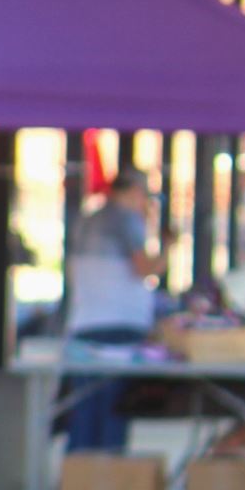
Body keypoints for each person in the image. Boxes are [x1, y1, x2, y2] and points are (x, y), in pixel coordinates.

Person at [61, 171, 165, 452]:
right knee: (114, 411)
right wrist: (169, 246)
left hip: (83, 325)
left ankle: (77, 483)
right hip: (119, 327)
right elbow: (145, 268)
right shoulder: (126, 218)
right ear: (134, 191)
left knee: (84, 409)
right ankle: (107, 485)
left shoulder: (87, 218)